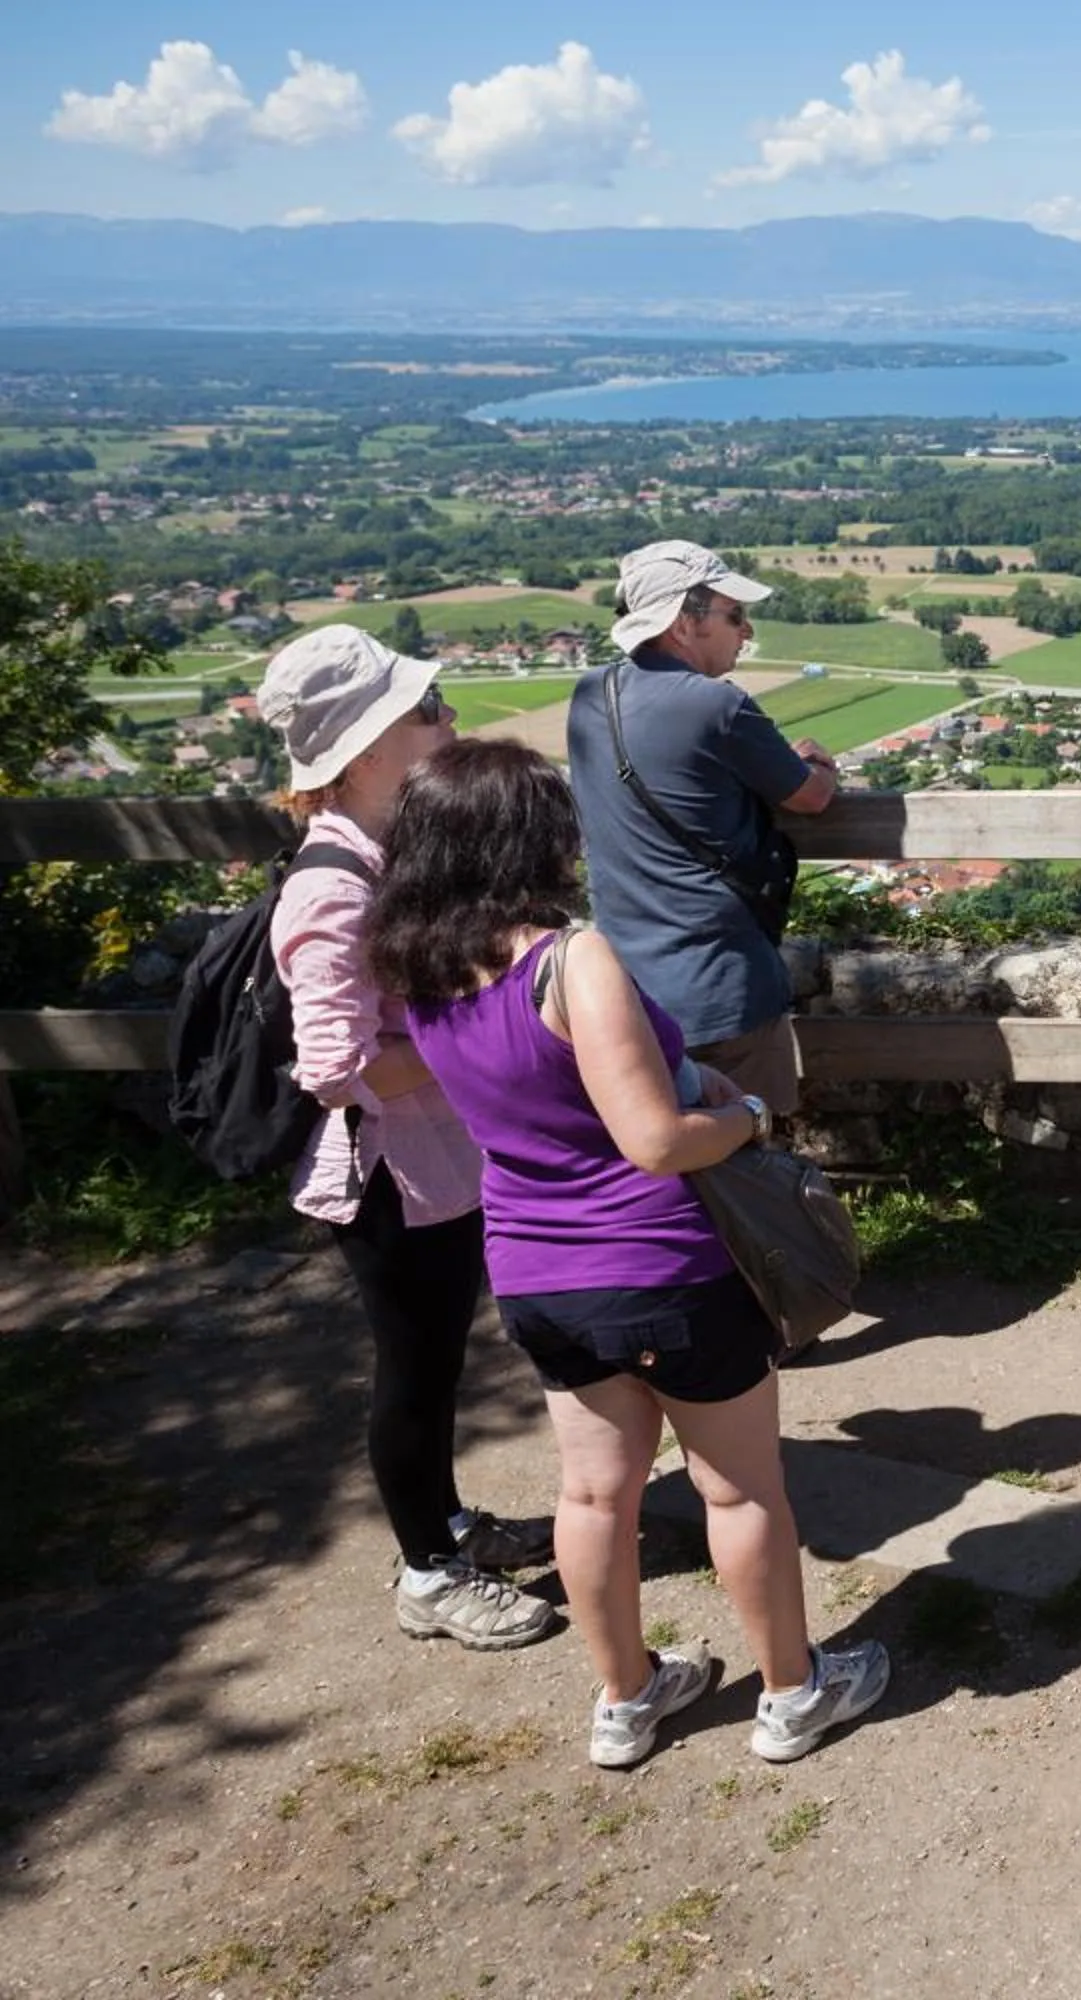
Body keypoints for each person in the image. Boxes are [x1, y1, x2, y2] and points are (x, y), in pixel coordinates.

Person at [369, 738, 888, 1770]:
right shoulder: (570, 959)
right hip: (658, 1262)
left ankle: (627, 1697)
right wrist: (742, 1116)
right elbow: (652, 1138)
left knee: (594, 1494)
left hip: (533, 1271)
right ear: (532, 838)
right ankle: (794, 1692)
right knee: (738, 1489)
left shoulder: (422, 971)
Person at [256, 624, 556, 1652]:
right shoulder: (331, 889)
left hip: (435, 1163)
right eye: (428, 710)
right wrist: (475, 1035)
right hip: (388, 1174)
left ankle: (450, 1521)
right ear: (368, 747)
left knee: (439, 1363)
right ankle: (428, 1570)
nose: (451, 719)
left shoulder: (390, 856)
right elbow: (335, 1066)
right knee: (414, 1370)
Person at [566, 539, 838, 1119]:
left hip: (627, 991)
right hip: (722, 988)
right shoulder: (717, 707)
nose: (746, 630)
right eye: (734, 615)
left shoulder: (593, 695)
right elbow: (810, 797)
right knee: (750, 1160)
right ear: (683, 624)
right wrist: (817, 763)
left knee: (662, 1167)